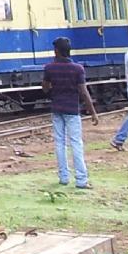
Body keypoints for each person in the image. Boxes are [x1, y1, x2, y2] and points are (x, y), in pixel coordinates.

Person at [42, 37, 99, 189]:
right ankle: (81, 180)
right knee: (76, 143)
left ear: (56, 51)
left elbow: (45, 88)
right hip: (72, 110)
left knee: (59, 143)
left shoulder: (49, 68)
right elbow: (84, 92)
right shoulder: (78, 69)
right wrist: (93, 112)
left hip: (57, 109)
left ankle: (63, 177)